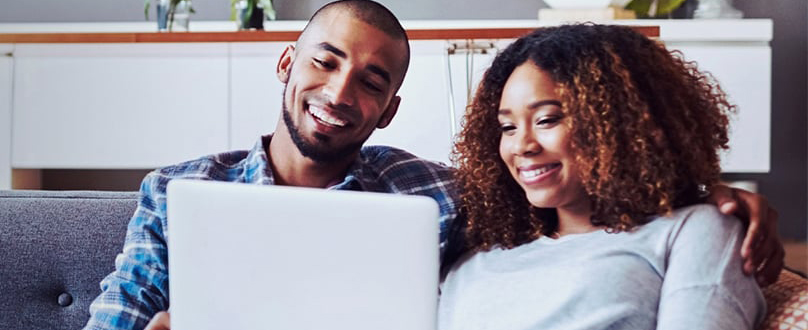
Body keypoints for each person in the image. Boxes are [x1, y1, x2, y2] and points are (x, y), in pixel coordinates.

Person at [82, 2, 784, 330]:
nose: (339, 93)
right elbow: (117, 314)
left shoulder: (432, 196)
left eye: (371, 81)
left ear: (389, 109)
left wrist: (701, 194)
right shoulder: (180, 190)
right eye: (324, 62)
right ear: (287, 62)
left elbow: (587, 198)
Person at [440, 23, 765, 329]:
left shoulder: (691, 231)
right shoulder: (474, 254)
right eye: (508, 127)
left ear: (623, 122)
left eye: (547, 120)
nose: (522, 145)